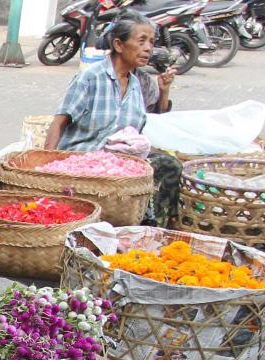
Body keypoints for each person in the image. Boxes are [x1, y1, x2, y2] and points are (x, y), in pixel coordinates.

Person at [45, 11, 181, 224]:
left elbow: (150, 124)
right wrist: (46, 167)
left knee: (169, 165)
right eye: (142, 41)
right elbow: (58, 123)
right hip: (83, 162)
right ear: (119, 45)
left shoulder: (137, 84)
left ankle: (153, 228)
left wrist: (164, 91)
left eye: (152, 42)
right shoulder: (91, 77)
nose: (148, 48)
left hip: (119, 164)